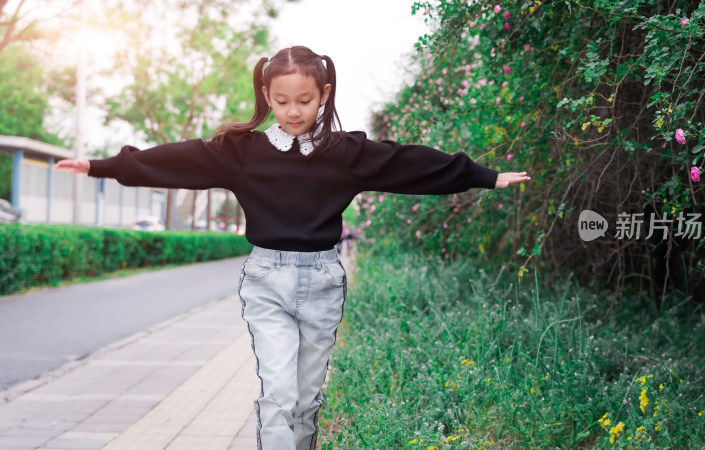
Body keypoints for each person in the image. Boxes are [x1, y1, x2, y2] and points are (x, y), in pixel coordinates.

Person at [56, 45, 530, 450]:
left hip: (323, 282)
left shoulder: (346, 153)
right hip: (266, 280)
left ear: (324, 95)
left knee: (306, 400)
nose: (294, 111)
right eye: (282, 101)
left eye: (305, 99)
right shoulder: (241, 152)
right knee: (278, 394)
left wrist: (483, 177)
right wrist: (102, 166)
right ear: (266, 97)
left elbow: (408, 163)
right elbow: (176, 160)